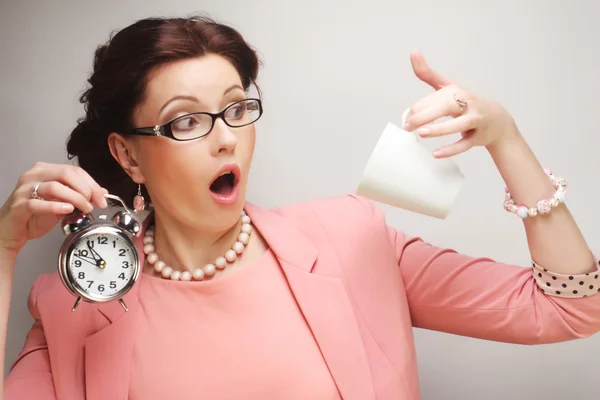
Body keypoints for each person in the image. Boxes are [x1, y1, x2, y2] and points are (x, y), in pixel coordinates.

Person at [1, 15, 599, 400]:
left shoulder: (350, 239)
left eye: (237, 108)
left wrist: (506, 140)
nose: (226, 137)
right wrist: (4, 252)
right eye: (187, 120)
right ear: (128, 157)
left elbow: (573, 309)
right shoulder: (71, 307)